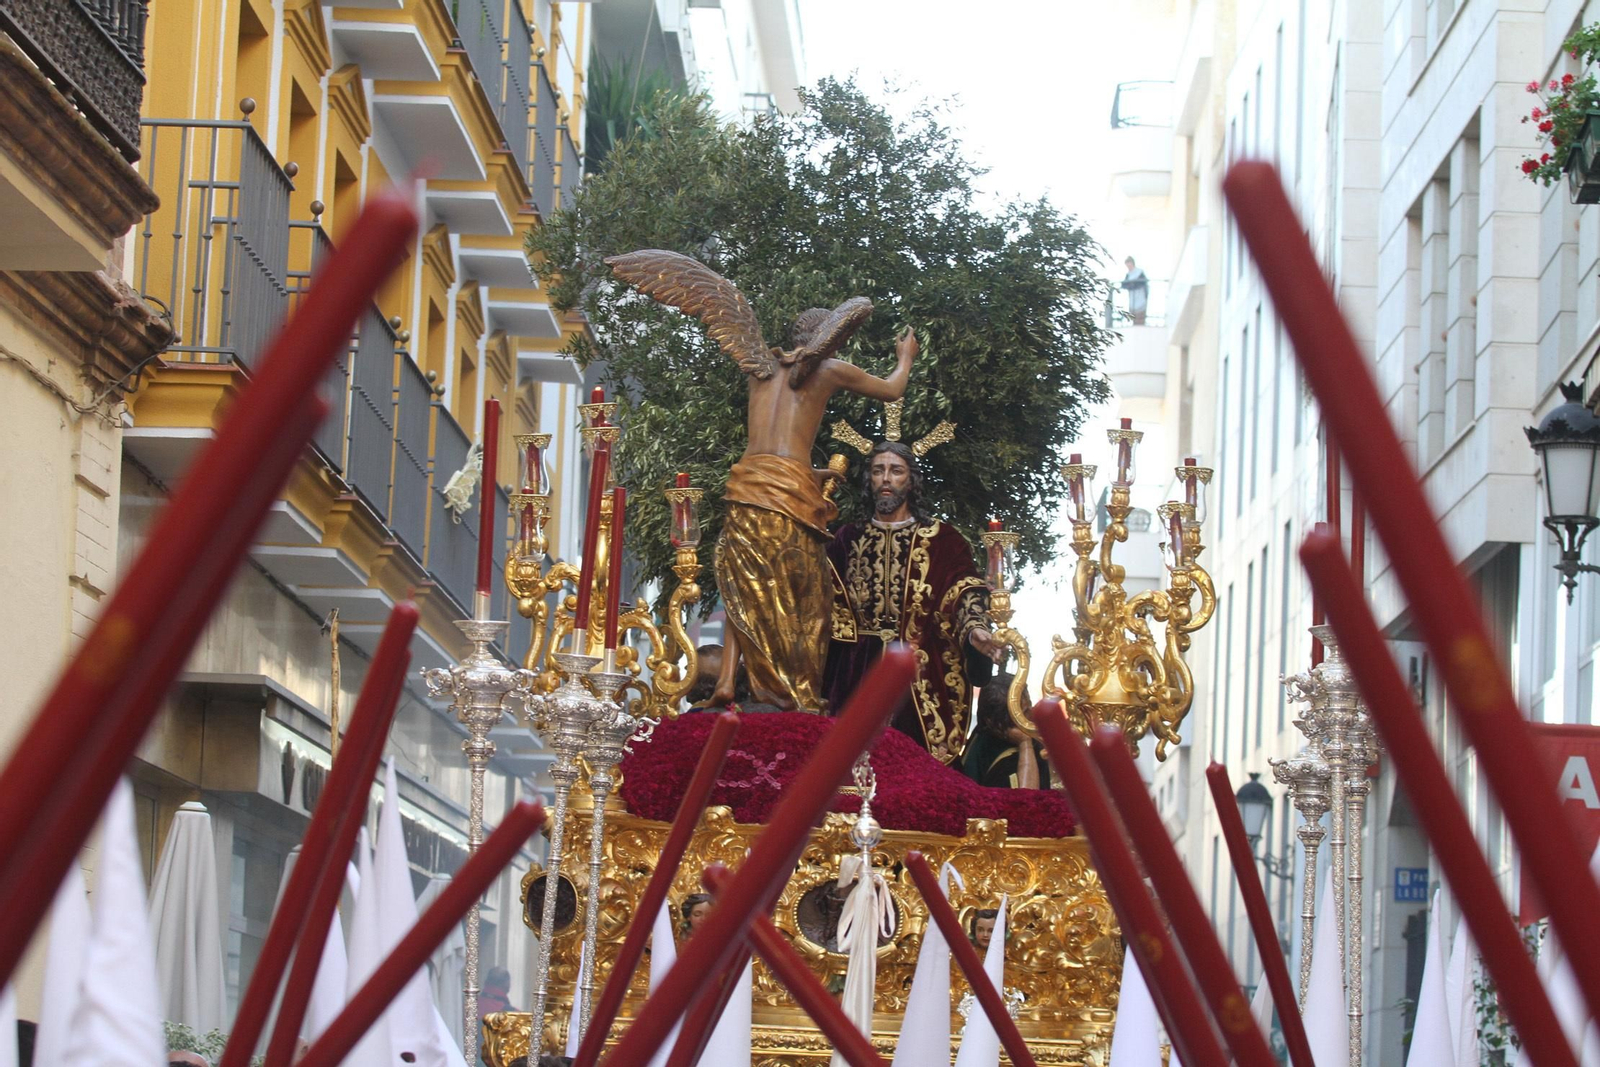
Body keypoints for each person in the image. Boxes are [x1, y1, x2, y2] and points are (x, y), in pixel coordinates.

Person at [608, 249, 913, 711]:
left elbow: (774, 450)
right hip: (788, 496)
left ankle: (727, 682)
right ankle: (791, 689)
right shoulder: (828, 369)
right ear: (826, 339)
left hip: (749, 486)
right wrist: (905, 357)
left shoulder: (758, 370)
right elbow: (892, 390)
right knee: (802, 592)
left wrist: (810, 472)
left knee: (743, 585)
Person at [824, 440, 1004, 764]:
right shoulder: (846, 539)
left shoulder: (943, 540)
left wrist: (974, 629)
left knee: (916, 771)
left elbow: (963, 590)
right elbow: (821, 597)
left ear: (911, 480)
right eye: (878, 471)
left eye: (896, 471)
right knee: (846, 767)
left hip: (920, 676)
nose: (886, 479)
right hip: (855, 672)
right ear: (869, 479)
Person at [963, 672, 1052, 789]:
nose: (1031, 714)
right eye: (1024, 713)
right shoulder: (1005, 760)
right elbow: (1028, 795)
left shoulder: (986, 730)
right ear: (998, 724)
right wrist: (1025, 744)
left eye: (1030, 704)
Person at [1121, 257, 1149, 325]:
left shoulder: (1140, 272)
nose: (1128, 267)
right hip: (1132, 298)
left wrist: (1133, 284)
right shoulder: (1128, 274)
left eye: (1129, 265)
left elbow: (1142, 283)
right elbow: (1123, 285)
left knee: (1140, 317)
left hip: (1140, 297)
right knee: (1133, 316)